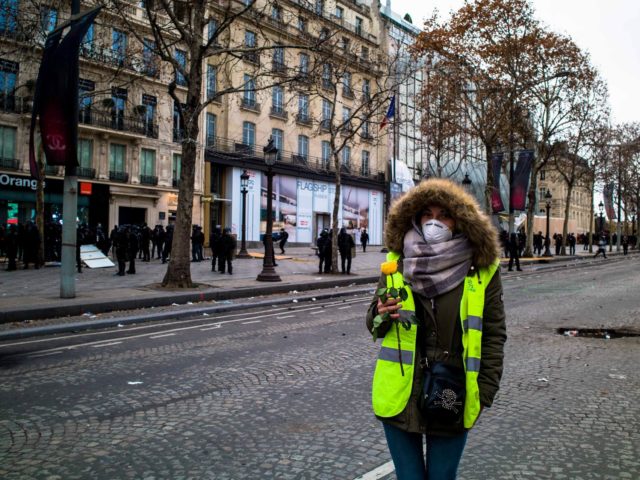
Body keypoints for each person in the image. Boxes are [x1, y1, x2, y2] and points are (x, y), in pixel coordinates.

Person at [366, 178, 506, 480]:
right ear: (415, 218)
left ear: (459, 220)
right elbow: (373, 326)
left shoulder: (481, 270)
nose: (434, 222)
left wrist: (483, 393)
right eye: (427, 214)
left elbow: (494, 334)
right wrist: (381, 314)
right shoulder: (397, 262)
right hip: (400, 393)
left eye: (443, 215)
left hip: (451, 391)